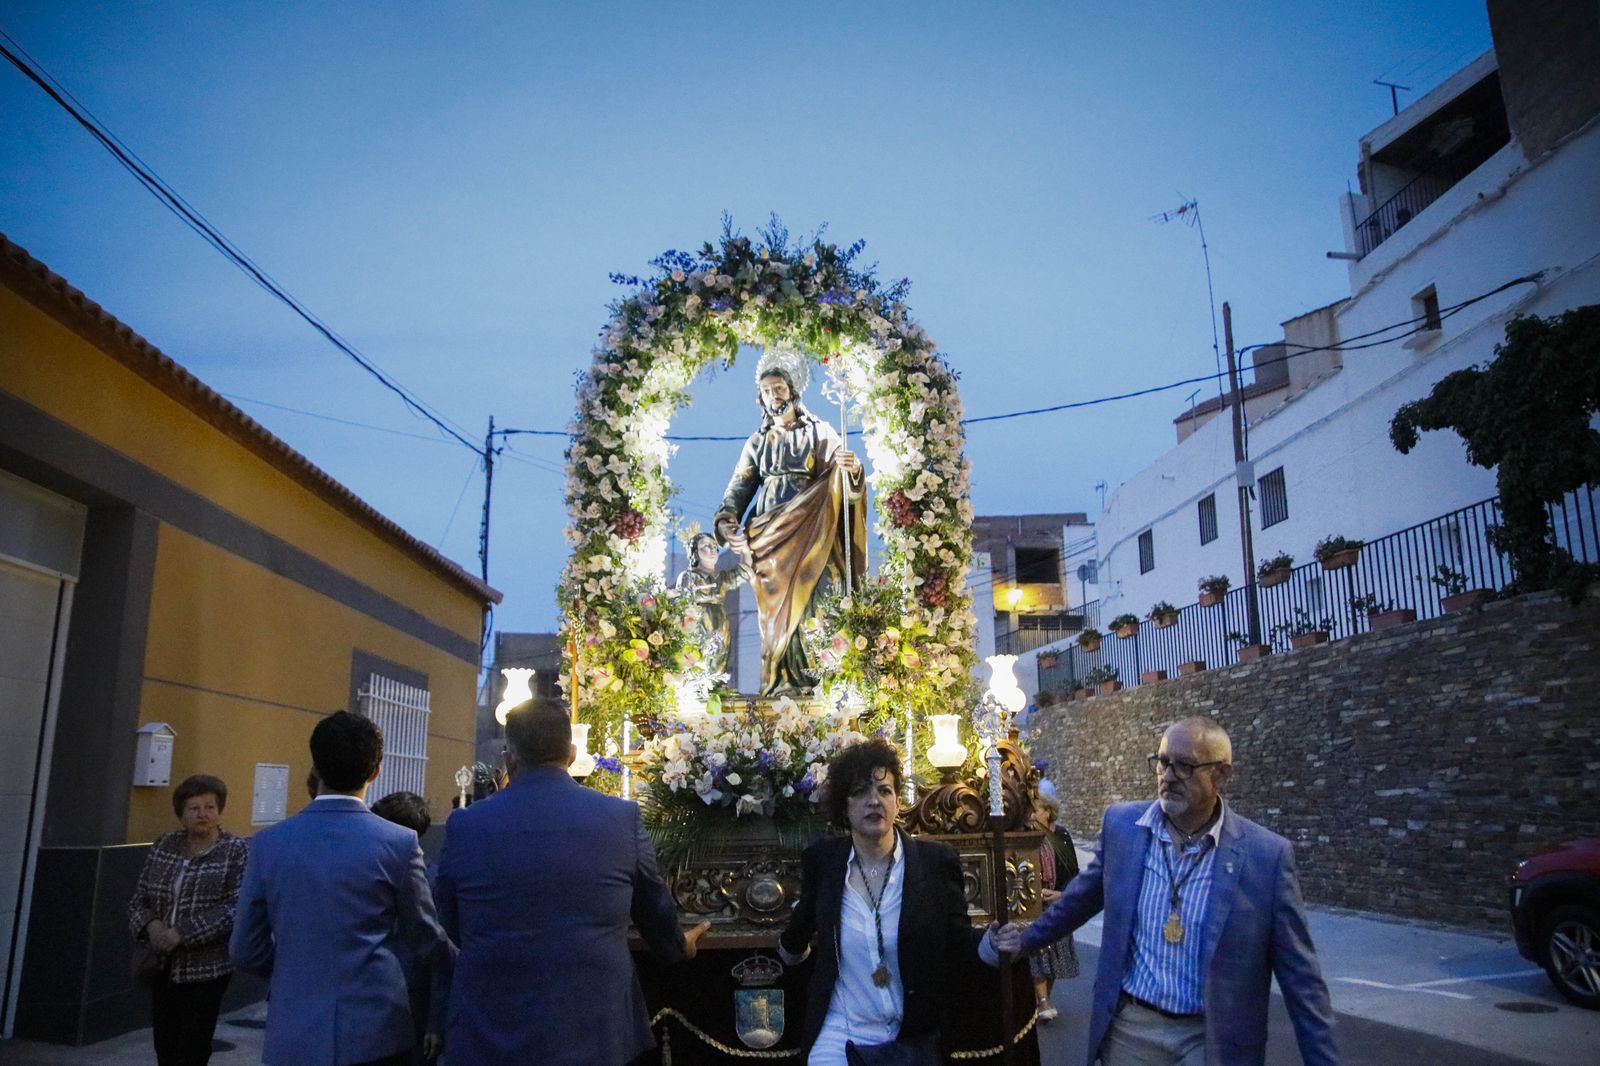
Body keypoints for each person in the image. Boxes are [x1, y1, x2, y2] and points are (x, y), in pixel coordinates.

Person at [991, 717, 1339, 1066]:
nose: (1168, 775)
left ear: (1221, 775)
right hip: (1131, 1031)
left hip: (1211, 1038)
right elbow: (1081, 899)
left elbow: (1302, 983)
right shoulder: (1123, 828)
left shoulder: (1266, 857)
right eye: (1162, 762)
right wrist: (1026, 939)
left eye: (1185, 766)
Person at [433, 698, 710, 1065]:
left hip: (491, 1023)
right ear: (572, 752)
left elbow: (450, 920)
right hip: (591, 1024)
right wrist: (679, 946)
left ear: (508, 757)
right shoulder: (620, 818)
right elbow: (654, 911)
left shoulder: (465, 825)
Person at [231, 712, 453, 1066]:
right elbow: (425, 935)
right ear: (375, 771)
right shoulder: (399, 842)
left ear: (315, 767)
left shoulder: (268, 844)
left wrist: (293, 968)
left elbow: (244, 948)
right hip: (376, 1027)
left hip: (294, 1028)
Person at [778, 738, 983, 1065]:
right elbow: (797, 936)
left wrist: (994, 944)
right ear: (844, 807)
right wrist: (791, 949)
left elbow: (959, 942)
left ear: (898, 802)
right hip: (841, 1029)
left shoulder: (935, 862)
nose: (874, 801)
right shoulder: (824, 862)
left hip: (910, 1034)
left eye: (884, 791)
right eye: (860, 792)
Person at [714, 346, 865, 695]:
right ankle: (780, 684)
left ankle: (819, 682)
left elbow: (843, 479)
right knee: (774, 622)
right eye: (766, 392)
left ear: (793, 389)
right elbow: (738, 488)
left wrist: (850, 469)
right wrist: (726, 523)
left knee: (819, 598)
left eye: (778, 389)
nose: (772, 397)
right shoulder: (757, 441)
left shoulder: (819, 431)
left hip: (813, 530)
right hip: (769, 538)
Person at [127, 774, 250, 1066]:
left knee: (192, 1047)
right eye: (194, 808)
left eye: (210, 807)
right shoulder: (164, 845)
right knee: (164, 1043)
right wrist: (152, 927)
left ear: (219, 811)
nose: (203, 814)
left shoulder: (235, 850)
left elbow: (235, 907)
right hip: (162, 964)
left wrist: (183, 933)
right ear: (181, 815)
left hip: (206, 968)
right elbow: (138, 900)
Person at [369, 791, 446, 1063]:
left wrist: (436, 1022)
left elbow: (438, 954)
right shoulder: (372, 871)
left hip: (413, 1008)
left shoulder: (432, 881)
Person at [1029, 794, 1080, 1022]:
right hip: (1033, 902)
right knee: (1038, 952)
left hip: (1057, 900)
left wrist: (1062, 895)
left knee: (1057, 954)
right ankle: (1042, 1001)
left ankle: (1044, 998)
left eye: (1037, 810)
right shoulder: (1026, 835)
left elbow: (1073, 871)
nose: (1032, 814)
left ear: (1048, 811)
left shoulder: (1062, 835)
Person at [673, 530, 751, 677]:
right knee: (699, 658)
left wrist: (745, 551)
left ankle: (718, 685)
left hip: (720, 624)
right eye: (706, 546)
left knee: (720, 655)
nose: (712, 549)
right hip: (698, 624)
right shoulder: (688, 576)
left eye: (714, 546)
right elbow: (681, 602)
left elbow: (743, 573)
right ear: (695, 553)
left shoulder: (721, 578)